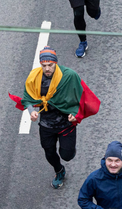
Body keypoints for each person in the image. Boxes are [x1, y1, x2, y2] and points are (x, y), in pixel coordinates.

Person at [20, 47, 84, 188]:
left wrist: (76, 114)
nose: (47, 68)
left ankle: (69, 149)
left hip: (66, 123)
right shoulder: (34, 77)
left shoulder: (69, 76)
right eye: (44, 66)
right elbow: (27, 98)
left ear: (56, 63)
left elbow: (81, 97)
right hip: (47, 124)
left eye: (50, 65)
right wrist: (31, 111)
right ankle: (59, 171)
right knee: (49, 152)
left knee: (67, 155)